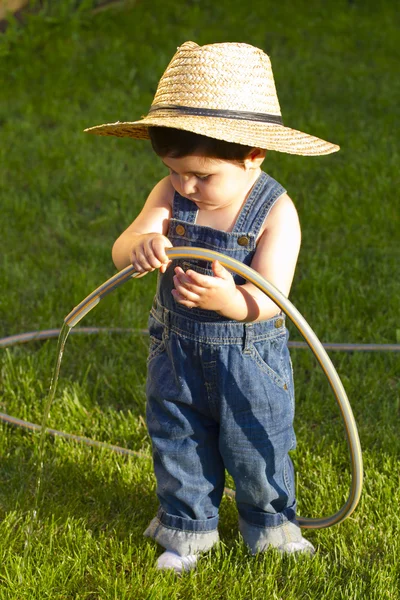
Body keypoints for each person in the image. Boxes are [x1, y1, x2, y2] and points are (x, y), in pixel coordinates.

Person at [85, 41, 339, 574]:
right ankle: (188, 530)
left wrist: (232, 301)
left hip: (249, 361)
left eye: (202, 176)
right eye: (175, 172)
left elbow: (273, 299)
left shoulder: (276, 212)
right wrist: (139, 245)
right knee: (178, 440)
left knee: (256, 443)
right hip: (175, 352)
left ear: (254, 155)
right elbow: (124, 244)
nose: (186, 186)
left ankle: (270, 525)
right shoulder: (170, 193)